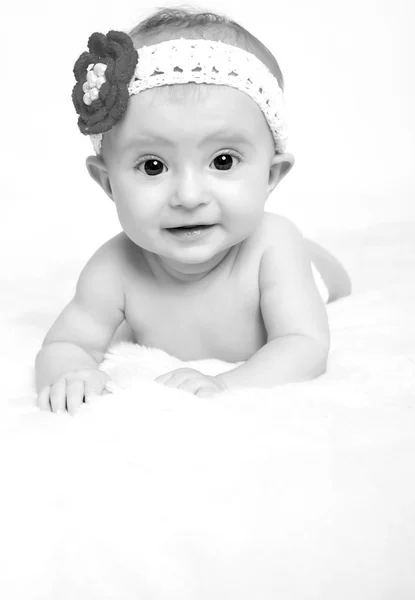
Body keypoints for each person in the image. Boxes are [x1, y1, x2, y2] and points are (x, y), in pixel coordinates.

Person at [35, 6, 351, 414]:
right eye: (153, 166)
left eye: (222, 161)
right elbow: (66, 342)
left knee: (332, 279)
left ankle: (318, 261)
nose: (188, 196)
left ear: (271, 176)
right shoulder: (113, 267)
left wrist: (225, 384)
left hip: (302, 269)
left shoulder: (273, 246)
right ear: (108, 182)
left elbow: (305, 345)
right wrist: (71, 372)